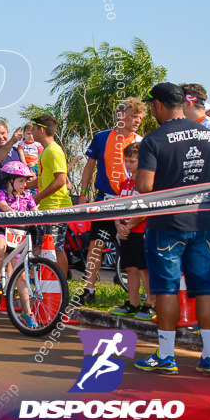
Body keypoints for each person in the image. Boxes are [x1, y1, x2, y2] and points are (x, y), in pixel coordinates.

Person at [132, 83, 210, 375]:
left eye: (152, 106)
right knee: (205, 289)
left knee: (165, 290)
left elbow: (143, 186)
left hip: (167, 224)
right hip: (205, 222)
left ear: (158, 106)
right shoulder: (209, 134)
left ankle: (166, 355)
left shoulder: (154, 139)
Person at [77, 98, 146, 304]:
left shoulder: (142, 141)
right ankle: (89, 287)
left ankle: (142, 298)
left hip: (131, 202)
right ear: (121, 115)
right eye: (134, 116)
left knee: (135, 252)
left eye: (140, 118)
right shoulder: (101, 137)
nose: (137, 121)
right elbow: (89, 166)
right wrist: (82, 194)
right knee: (96, 244)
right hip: (105, 200)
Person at [0, 160, 41, 329]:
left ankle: (27, 312)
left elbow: (35, 210)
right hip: (3, 232)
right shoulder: (2, 193)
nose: (24, 184)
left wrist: (40, 217)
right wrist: (10, 211)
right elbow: (2, 205)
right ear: (10, 181)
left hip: (19, 236)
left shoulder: (27, 195)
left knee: (22, 276)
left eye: (25, 181)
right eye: (21, 181)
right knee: (0, 247)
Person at [110, 143, 154, 321]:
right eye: (126, 161)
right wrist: (118, 225)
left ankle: (151, 304)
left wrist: (129, 226)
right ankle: (132, 303)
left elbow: (146, 209)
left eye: (133, 161)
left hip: (140, 230)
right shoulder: (124, 183)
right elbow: (116, 207)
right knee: (130, 267)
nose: (128, 164)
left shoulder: (146, 183)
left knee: (145, 269)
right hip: (125, 231)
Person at [27, 115, 73, 277]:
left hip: (57, 207)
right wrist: (25, 185)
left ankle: (61, 285)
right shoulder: (46, 151)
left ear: (41, 130)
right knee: (39, 246)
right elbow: (44, 180)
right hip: (47, 207)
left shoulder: (54, 151)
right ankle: (37, 283)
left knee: (56, 247)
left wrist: (37, 198)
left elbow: (61, 180)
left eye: (33, 128)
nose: (31, 131)